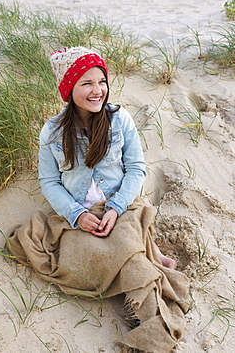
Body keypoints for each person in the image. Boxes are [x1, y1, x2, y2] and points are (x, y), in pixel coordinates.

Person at [39, 46, 176, 269]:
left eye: (102, 81)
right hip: (79, 210)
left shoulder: (119, 118)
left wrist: (116, 208)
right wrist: (77, 214)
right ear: (69, 89)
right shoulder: (52, 131)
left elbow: (136, 168)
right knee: (92, 260)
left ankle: (154, 257)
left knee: (129, 243)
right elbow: (49, 181)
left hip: (120, 202)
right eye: (86, 83)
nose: (97, 90)